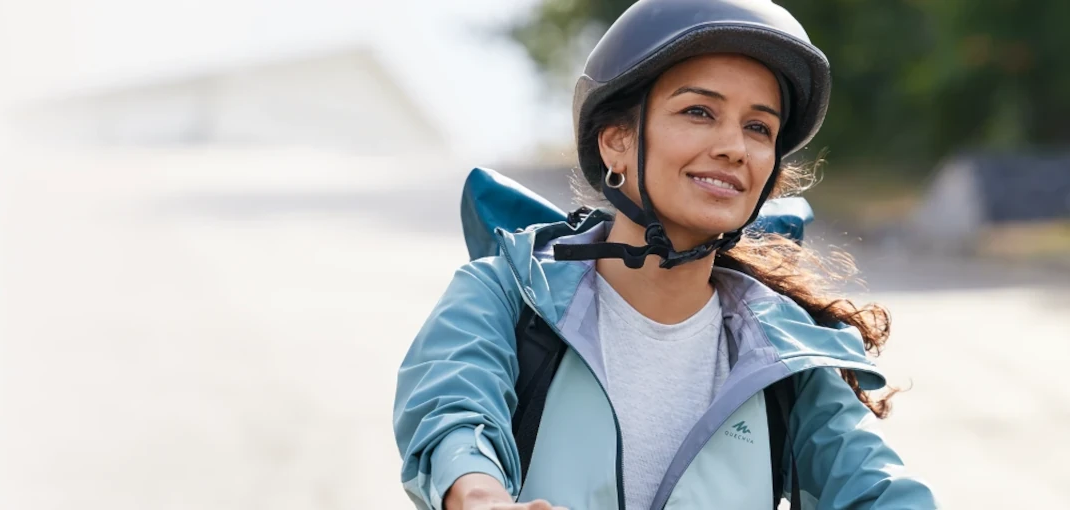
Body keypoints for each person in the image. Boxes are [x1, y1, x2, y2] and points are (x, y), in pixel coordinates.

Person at [391, 1, 939, 509]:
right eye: (700, 111)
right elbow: (453, 413)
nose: (734, 146)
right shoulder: (505, 293)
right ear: (616, 142)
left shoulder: (787, 352)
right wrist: (478, 493)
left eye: (758, 127)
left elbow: (876, 486)